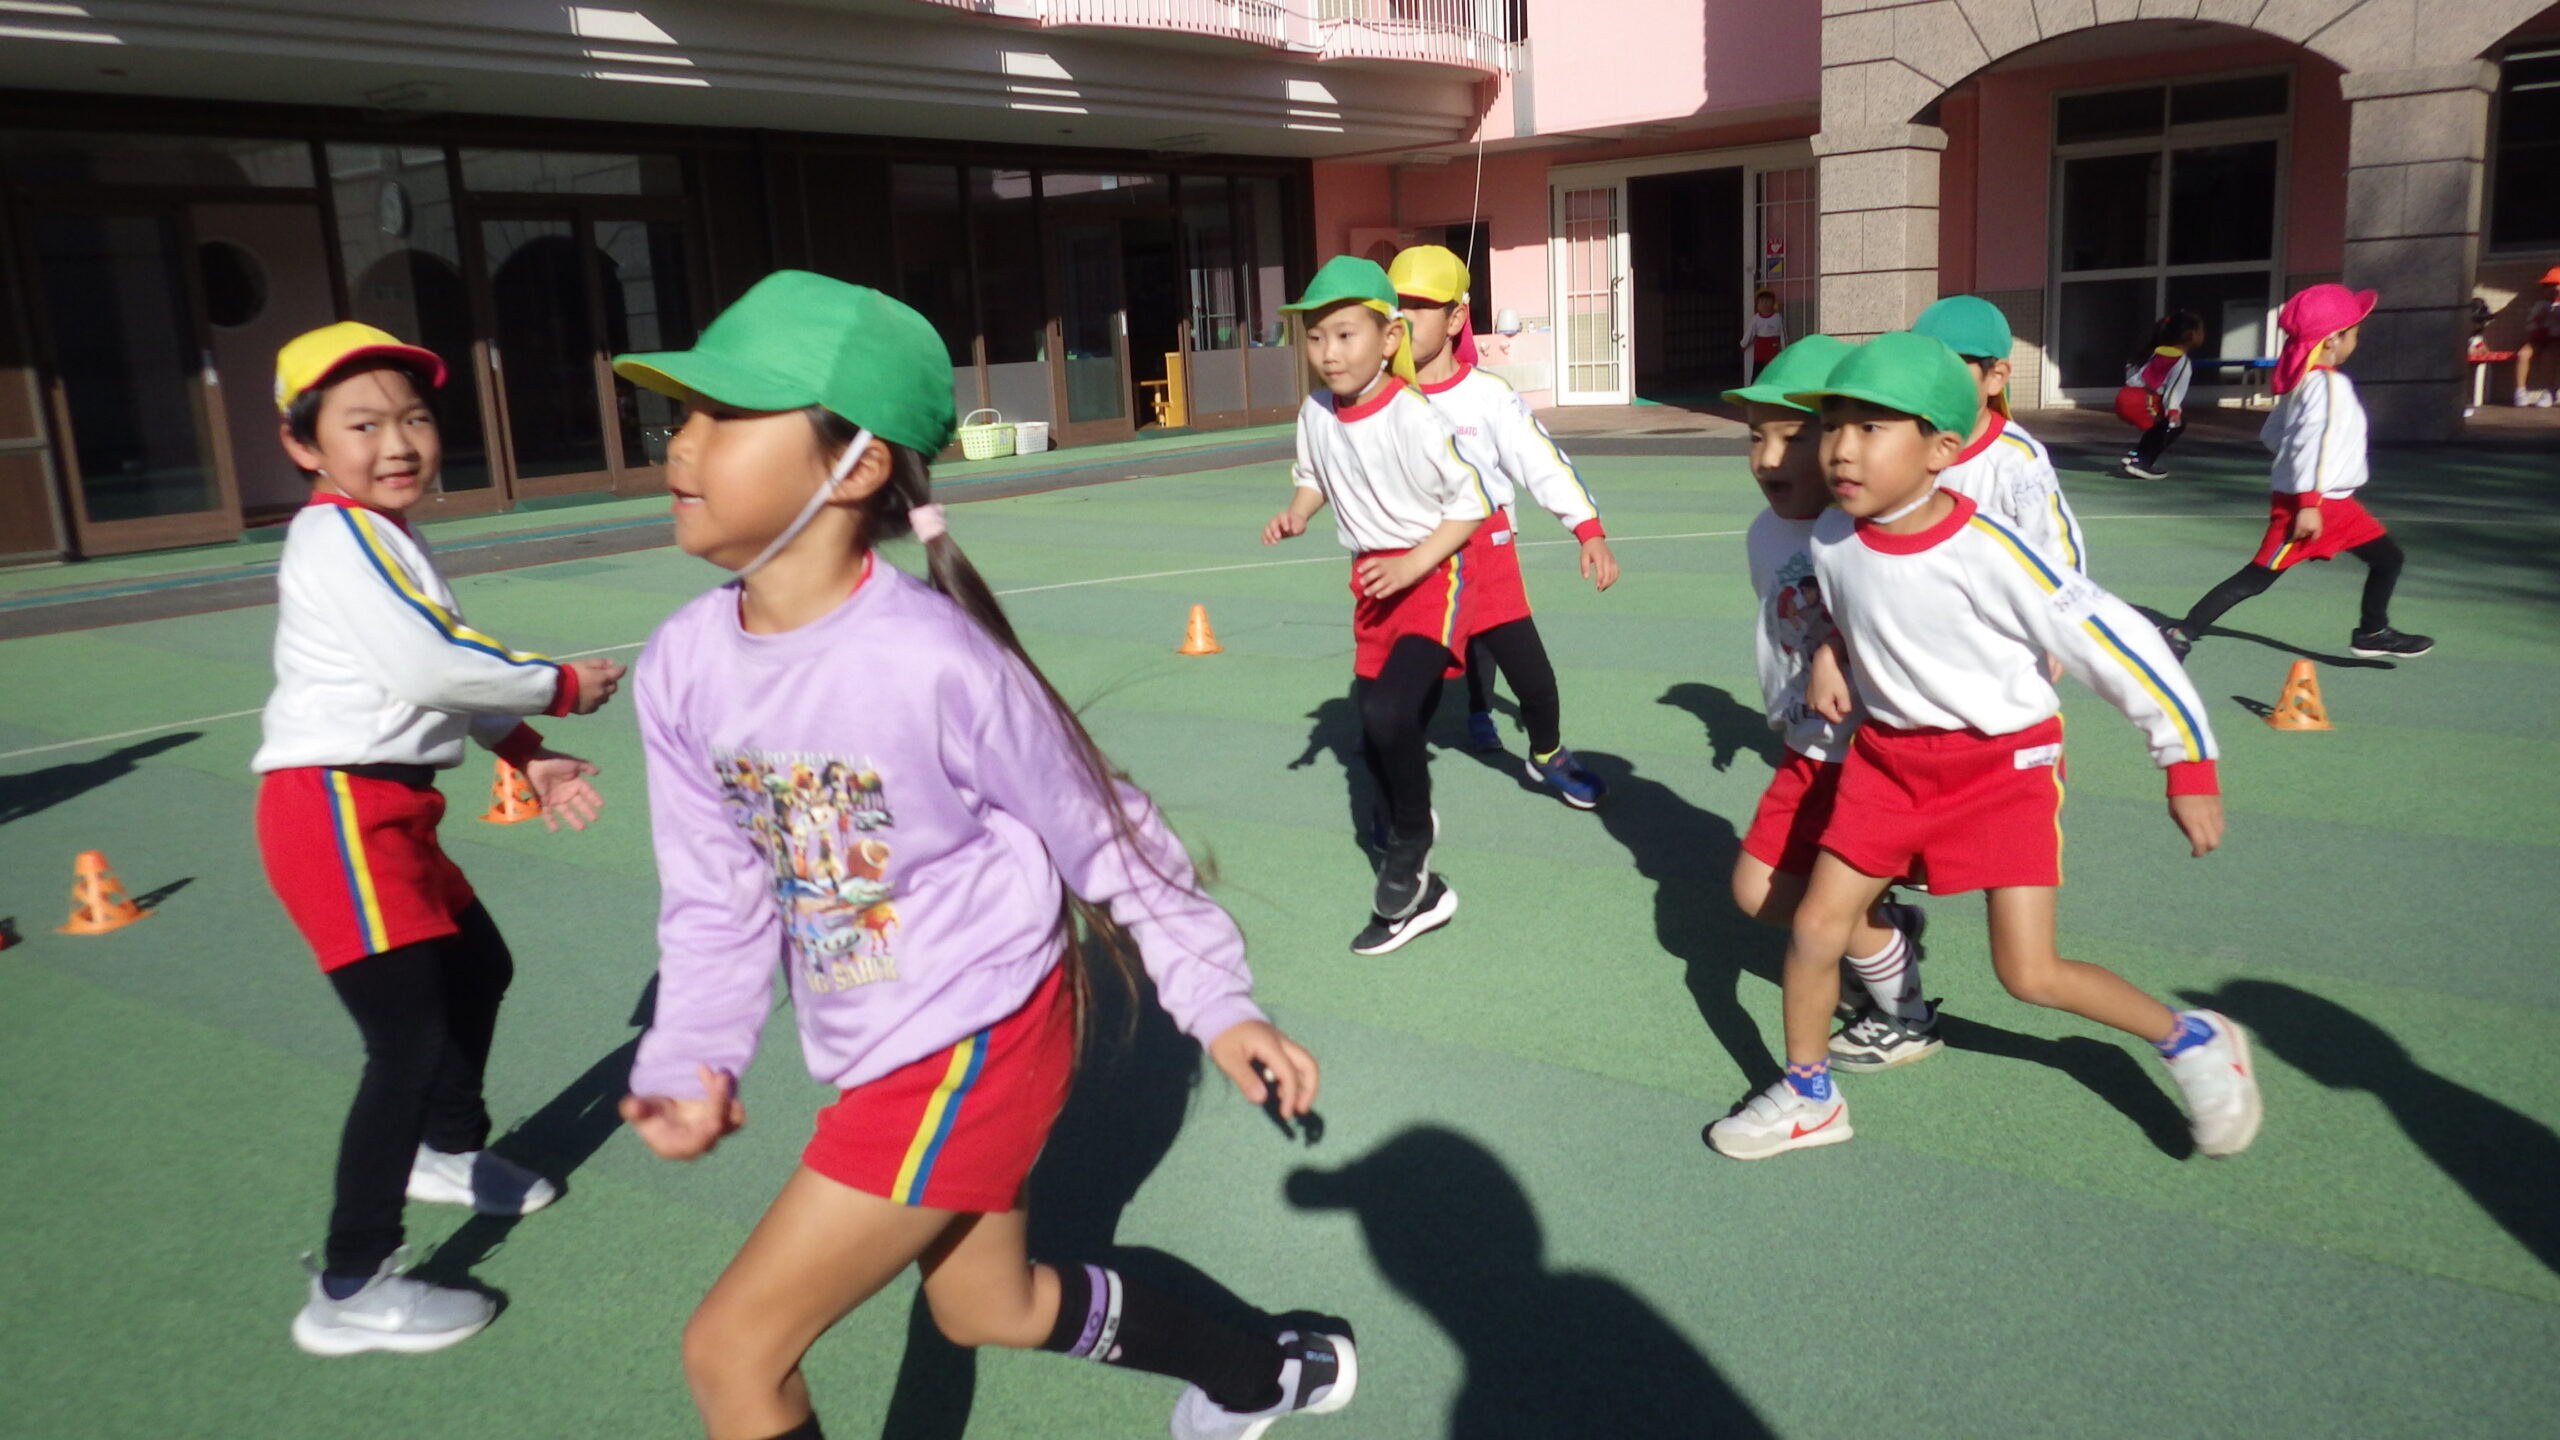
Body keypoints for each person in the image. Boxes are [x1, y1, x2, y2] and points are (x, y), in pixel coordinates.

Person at [612, 272, 1353, 1440]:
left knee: (733, 1354)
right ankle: (1263, 1373)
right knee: (984, 1307)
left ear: (856, 466)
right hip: (879, 1035)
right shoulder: (680, 664)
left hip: (968, 1040)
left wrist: (1216, 1004)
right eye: (684, 413)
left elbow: (1107, 830)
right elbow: (716, 896)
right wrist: (692, 1053)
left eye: (729, 414)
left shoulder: (933, 662)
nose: (685, 442)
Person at [1704, 330, 2261, 1163]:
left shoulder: (1992, 552)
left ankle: (2193, 1038)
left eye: (1870, 427)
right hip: (1888, 762)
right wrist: (1833, 652)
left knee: (2029, 972)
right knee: (1817, 927)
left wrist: (2187, 762)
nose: (1843, 448)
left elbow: (2118, 643)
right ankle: (1811, 1096)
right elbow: (1865, 615)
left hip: (2002, 768)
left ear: (1942, 448)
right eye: (1837, 424)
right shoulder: (1832, 538)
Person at [253, 321, 626, 1354]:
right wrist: (558, 685)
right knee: (407, 1039)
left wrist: (526, 750)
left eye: (414, 419)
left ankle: (447, 1152)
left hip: (388, 809)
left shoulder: (384, 536)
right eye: (363, 424)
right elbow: (430, 664)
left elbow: (433, 675)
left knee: (479, 967)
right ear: (304, 445)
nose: (399, 443)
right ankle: (350, 1283)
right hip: (335, 811)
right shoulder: (337, 536)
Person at [1264, 254, 1492, 954]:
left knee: (1392, 714)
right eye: (1315, 337)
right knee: (1377, 728)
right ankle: (1423, 881)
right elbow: (1314, 475)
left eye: (1344, 335)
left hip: (1431, 578)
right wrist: (1298, 510)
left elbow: (1471, 505)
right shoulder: (1316, 413)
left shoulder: (1413, 416)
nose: (1328, 353)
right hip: (1371, 586)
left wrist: (1413, 565)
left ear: (1390, 338)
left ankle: (1411, 841)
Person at [1721, 333, 1937, 1073]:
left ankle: (1907, 1011)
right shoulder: (1764, 531)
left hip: (1869, 756)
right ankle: (1880, 932)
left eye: (1794, 436)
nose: (1768, 458)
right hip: (1804, 746)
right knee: (1760, 893)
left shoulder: (1864, 536)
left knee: (1824, 911)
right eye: (1756, 438)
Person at [1387, 243, 1615, 809]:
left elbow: (1542, 462)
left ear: (1456, 318)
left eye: (1421, 306)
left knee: (1535, 681)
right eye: (1396, 307)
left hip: (1488, 563)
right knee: (1406, 687)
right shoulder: (1385, 398)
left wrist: (1587, 528)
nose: (1405, 319)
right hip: (1419, 567)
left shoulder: (1488, 396)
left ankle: (1547, 755)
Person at [2160, 284, 2433, 661]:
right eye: (2354, 333)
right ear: (2332, 340)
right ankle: (2180, 633)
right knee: (2257, 577)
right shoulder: (2329, 384)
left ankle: (2372, 632)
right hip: (2312, 506)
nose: (2356, 340)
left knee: (2388, 558)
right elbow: (2316, 443)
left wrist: (2299, 476)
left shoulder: (2303, 382)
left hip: (2336, 504)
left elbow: (2273, 435)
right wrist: (2307, 502)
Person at [1910, 295, 2089, 574]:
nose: (1933, 380)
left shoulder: (2016, 458)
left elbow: (2058, 551)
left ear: (1996, 376)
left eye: (1951, 367)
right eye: (1922, 365)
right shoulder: (1904, 441)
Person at [2120, 311, 2202, 479]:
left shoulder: (2155, 351)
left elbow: (2131, 369)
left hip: (2126, 395)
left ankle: (2136, 455)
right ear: (2191, 335)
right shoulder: (2182, 362)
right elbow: (2174, 391)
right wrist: (2173, 410)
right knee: (2175, 425)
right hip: (2142, 400)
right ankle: (2143, 462)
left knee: (2158, 424)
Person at [2516, 266, 2560, 408]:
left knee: (2549, 356)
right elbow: (2529, 325)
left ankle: (2549, 391)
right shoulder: (2540, 304)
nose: (2553, 289)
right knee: (2523, 354)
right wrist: (2537, 321)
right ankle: (2520, 391)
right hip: (2539, 338)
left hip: (2556, 339)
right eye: (2549, 286)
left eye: (2556, 285)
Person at [1741, 289, 1786, 383]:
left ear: (1773, 303)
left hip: (1773, 348)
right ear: (1757, 304)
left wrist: (1784, 348)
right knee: (1757, 373)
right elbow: (1750, 332)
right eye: (1762, 301)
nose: (1765, 304)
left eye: (1768, 301)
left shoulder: (1777, 317)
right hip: (1760, 349)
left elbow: (1782, 333)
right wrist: (1743, 344)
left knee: (1773, 371)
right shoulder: (1756, 319)